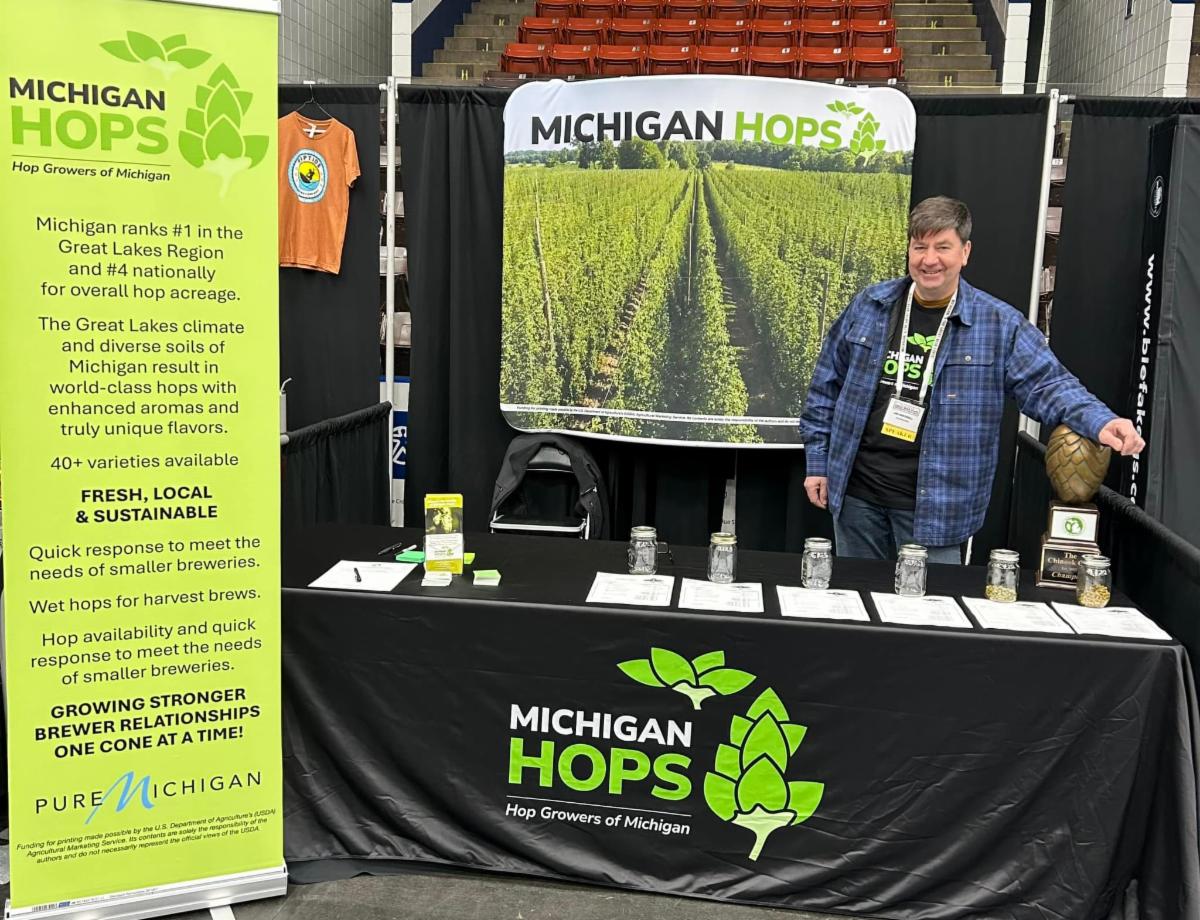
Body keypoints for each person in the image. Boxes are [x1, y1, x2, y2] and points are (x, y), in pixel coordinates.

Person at [798, 196, 1143, 562]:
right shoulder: (871, 305)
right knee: (859, 594)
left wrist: (1101, 421)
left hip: (937, 508)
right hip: (857, 499)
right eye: (920, 247)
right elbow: (825, 386)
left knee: (932, 600)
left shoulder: (998, 324)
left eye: (942, 247)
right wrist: (818, 462)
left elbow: (1048, 384)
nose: (929, 259)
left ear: (965, 252)